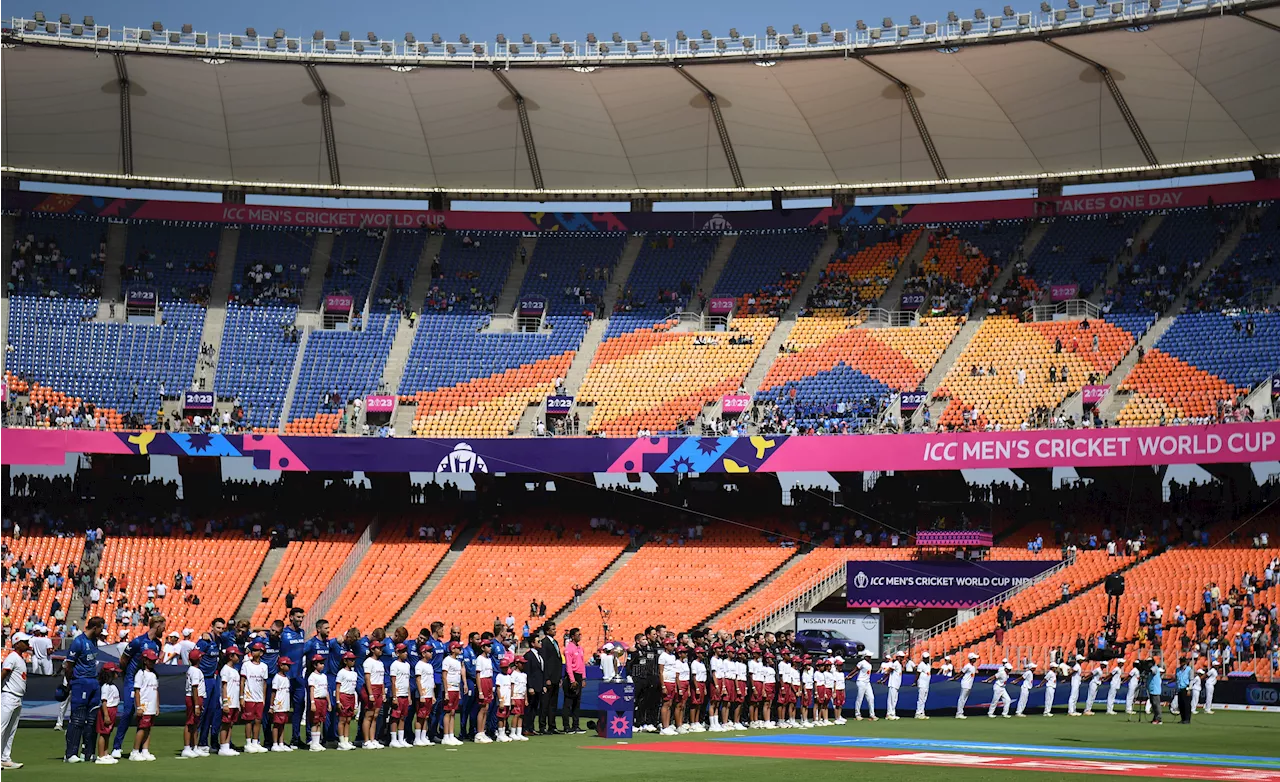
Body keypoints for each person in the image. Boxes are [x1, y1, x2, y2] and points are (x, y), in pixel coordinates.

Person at [114, 615, 165, 758]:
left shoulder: (157, 644)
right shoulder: (138, 641)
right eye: (163, 627)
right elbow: (123, 660)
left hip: (147, 683)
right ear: (157, 625)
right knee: (129, 711)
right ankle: (117, 747)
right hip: (132, 681)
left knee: (147, 714)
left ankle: (142, 749)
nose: (164, 630)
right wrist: (128, 675)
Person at [63, 615, 104, 763]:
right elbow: (69, 665)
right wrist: (70, 682)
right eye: (101, 628)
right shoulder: (78, 642)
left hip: (93, 681)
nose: (102, 632)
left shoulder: (94, 641)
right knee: (78, 718)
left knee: (92, 719)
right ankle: (70, 754)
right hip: (81, 682)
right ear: (95, 628)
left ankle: (87, 752)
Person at [0, 633, 30, 770]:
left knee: (10, 730)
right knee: (1, 728)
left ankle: (5, 758)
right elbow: (4, 674)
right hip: (9, 696)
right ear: (17, 643)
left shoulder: (20, 659)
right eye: (24, 641)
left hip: (17, 697)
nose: (27, 644)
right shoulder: (12, 658)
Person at [281, 608, 309, 747]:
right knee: (282, 709)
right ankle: (276, 740)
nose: (300, 619)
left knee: (299, 708)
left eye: (302, 617)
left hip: (298, 677)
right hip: (285, 677)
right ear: (291, 617)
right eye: (298, 617)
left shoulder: (301, 632)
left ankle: (295, 739)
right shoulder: (283, 633)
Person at [130, 648, 159, 761]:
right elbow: (137, 691)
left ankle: (145, 750)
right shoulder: (140, 674)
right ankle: (135, 751)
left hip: (151, 706)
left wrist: (157, 706)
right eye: (150, 660)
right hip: (144, 706)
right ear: (145, 660)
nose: (153, 662)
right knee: (142, 728)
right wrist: (139, 707)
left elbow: (156, 691)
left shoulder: (154, 675)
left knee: (148, 728)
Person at [242, 642, 270, 753]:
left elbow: (264, 683)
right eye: (253, 650)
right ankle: (248, 743)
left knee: (258, 720)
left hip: (259, 698)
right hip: (249, 697)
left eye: (256, 650)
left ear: (261, 652)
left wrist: (263, 698)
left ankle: (255, 742)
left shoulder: (264, 667)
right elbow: (242, 681)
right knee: (249, 720)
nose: (253, 652)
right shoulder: (246, 665)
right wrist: (241, 696)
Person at [217, 645, 243, 756]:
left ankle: (227, 745)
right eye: (237, 655)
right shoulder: (225, 670)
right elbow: (224, 687)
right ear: (231, 656)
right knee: (225, 724)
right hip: (229, 702)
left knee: (230, 724)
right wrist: (225, 702)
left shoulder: (235, 670)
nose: (239, 658)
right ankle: (223, 747)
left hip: (235, 702)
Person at [181, 649, 206, 758]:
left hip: (196, 698)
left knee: (195, 723)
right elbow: (194, 688)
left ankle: (194, 746)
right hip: (193, 698)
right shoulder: (195, 671)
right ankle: (187, 747)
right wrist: (196, 705)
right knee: (190, 723)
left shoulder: (192, 670)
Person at [539, 622, 563, 734]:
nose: (555, 631)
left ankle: (552, 725)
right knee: (545, 703)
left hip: (556, 677)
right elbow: (545, 662)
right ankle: (542, 726)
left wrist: (559, 677)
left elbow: (557, 661)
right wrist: (546, 678)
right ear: (547, 631)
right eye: (553, 629)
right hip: (549, 677)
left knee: (553, 703)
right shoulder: (545, 643)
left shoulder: (555, 642)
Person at [95, 663, 121, 765]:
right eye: (115, 673)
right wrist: (106, 715)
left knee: (108, 733)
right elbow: (104, 701)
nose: (117, 675)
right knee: (103, 733)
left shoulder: (112, 686)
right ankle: (101, 756)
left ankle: (105, 753)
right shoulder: (105, 687)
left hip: (113, 710)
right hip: (108, 710)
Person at [441, 641, 465, 746]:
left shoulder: (458, 661)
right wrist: (446, 691)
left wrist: (459, 691)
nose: (460, 650)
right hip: (449, 688)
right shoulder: (447, 660)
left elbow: (458, 676)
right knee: (447, 712)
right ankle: (446, 736)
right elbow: (444, 676)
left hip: (455, 688)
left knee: (453, 712)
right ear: (453, 649)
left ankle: (451, 735)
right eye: (458, 648)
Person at [389, 643, 412, 748]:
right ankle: (393, 740)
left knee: (403, 717)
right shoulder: (394, 665)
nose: (406, 653)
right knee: (395, 717)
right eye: (403, 652)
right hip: (397, 694)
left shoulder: (407, 665)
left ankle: (401, 739)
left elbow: (407, 682)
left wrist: (409, 696)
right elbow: (393, 682)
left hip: (405, 694)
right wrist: (394, 697)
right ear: (398, 653)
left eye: (406, 651)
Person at [563, 627, 586, 734]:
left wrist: (584, 678)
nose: (580, 636)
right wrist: (572, 680)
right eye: (578, 634)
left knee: (577, 702)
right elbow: (568, 665)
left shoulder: (580, 648)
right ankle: (566, 726)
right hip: (572, 676)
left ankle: (575, 725)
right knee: (568, 702)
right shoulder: (569, 648)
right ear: (572, 636)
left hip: (579, 676)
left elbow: (582, 664)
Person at [270, 657, 295, 752]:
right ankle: (275, 743)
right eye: (287, 665)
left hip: (285, 705)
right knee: (277, 724)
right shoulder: (277, 678)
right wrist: (271, 706)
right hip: (278, 705)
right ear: (281, 666)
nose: (289, 667)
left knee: (283, 724)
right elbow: (273, 693)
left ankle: (281, 743)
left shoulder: (286, 678)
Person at [335, 651, 359, 750]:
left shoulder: (354, 673)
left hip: (351, 696)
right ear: (345, 661)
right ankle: (341, 742)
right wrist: (338, 701)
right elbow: (337, 688)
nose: (353, 661)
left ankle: (346, 740)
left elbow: (354, 688)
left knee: (348, 719)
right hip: (343, 696)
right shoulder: (341, 672)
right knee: (342, 719)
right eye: (351, 659)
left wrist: (356, 702)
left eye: (354, 659)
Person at [413, 643, 435, 747]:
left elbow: (431, 682)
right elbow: (418, 680)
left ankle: (423, 736)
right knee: (420, 716)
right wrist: (421, 694)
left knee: (426, 716)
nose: (431, 653)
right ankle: (417, 738)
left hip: (429, 694)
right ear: (423, 653)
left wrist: (433, 695)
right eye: (429, 651)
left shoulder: (430, 665)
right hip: (422, 695)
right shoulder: (419, 665)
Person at [307, 654, 330, 751]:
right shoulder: (312, 676)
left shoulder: (324, 676)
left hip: (323, 700)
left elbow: (326, 690)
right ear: (315, 665)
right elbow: (311, 690)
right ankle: (313, 743)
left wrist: (328, 703)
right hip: (316, 700)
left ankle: (317, 742)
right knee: (314, 722)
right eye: (320, 663)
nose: (322, 665)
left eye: (323, 663)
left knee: (320, 722)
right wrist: (312, 702)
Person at [509, 656, 528, 741]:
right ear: (516, 663)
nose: (523, 665)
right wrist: (512, 698)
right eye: (521, 663)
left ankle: (519, 732)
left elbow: (525, 687)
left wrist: (526, 699)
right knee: (516, 714)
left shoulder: (524, 675)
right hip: (516, 696)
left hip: (522, 696)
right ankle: (512, 732)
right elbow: (512, 686)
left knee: (521, 715)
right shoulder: (514, 674)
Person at [956, 652, 978, 718]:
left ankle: (960, 712)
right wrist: (955, 678)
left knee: (964, 699)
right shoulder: (967, 666)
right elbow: (961, 673)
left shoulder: (973, 667)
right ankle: (959, 713)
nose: (976, 659)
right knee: (962, 698)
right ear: (972, 659)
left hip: (969, 684)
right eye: (974, 658)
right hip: (965, 684)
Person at [853, 650, 874, 720]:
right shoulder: (861, 663)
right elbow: (856, 670)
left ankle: (872, 715)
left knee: (871, 698)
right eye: (869, 656)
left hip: (867, 682)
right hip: (861, 682)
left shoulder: (870, 665)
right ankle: (857, 714)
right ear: (866, 657)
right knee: (860, 698)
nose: (870, 657)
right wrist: (850, 675)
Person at [914, 651, 932, 719]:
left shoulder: (928, 665)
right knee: (921, 699)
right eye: (925, 658)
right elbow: (918, 674)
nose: (926, 659)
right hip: (922, 684)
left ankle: (922, 712)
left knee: (924, 699)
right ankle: (918, 713)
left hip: (926, 684)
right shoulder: (921, 664)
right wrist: (915, 682)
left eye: (927, 658)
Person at [885, 651, 904, 720]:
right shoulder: (895, 663)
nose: (902, 658)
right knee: (891, 700)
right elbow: (889, 671)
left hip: (897, 685)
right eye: (901, 657)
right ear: (898, 657)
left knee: (895, 700)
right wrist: (883, 679)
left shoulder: (900, 664)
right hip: (893, 684)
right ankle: (889, 714)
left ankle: (893, 713)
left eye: (903, 657)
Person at [1176, 657, 1193, 724]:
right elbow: (1177, 679)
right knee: (1181, 704)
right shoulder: (1177, 670)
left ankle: (1187, 719)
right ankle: (1183, 718)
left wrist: (1189, 689)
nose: (1181, 663)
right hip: (1179, 688)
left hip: (1186, 688)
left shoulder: (1189, 669)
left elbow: (1191, 680)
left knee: (1186, 704)